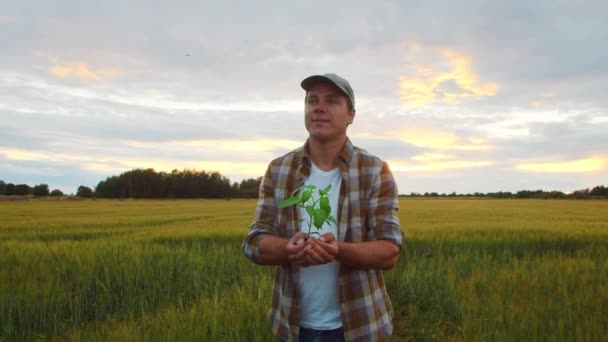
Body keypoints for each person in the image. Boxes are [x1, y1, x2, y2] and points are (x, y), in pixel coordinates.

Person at [243, 73, 403, 342]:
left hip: (361, 326)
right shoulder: (279, 170)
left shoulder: (375, 171)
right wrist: (288, 249)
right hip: (292, 327)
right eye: (312, 101)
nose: (319, 107)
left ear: (351, 114)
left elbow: (389, 252)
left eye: (332, 101)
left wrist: (338, 250)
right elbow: (253, 243)